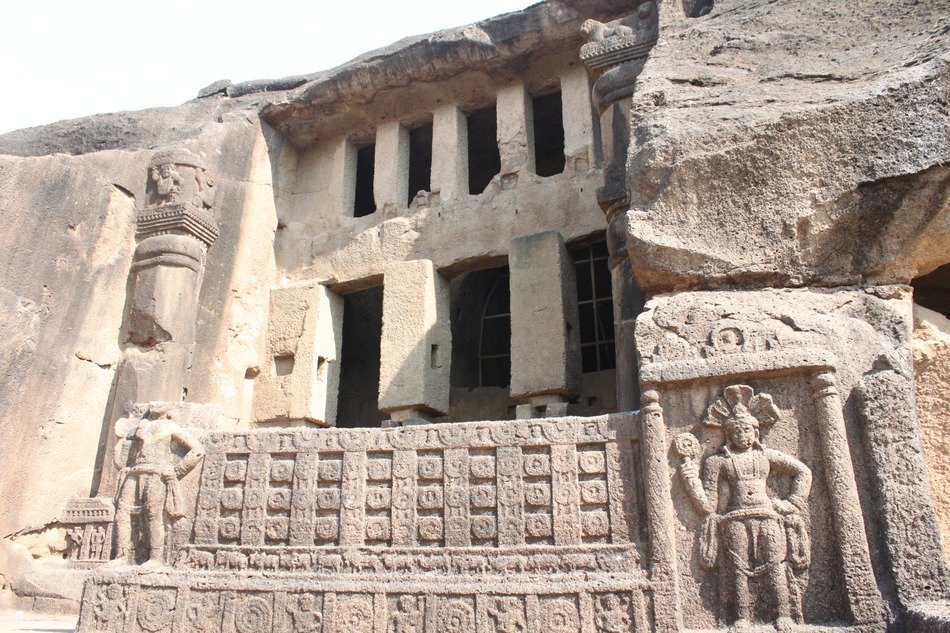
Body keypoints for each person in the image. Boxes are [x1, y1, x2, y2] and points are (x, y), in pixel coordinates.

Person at [675, 385, 812, 631]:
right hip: (735, 519)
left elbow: (802, 471)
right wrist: (689, 479)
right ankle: (742, 617)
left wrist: (792, 503)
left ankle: (783, 615)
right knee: (737, 569)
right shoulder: (717, 462)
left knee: (776, 565)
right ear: (728, 434)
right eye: (736, 431)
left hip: (768, 515)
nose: (742, 435)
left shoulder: (767, 456)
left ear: (755, 432)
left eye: (746, 430)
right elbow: (709, 506)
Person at [113, 409, 204, 565]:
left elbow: (197, 450)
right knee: (122, 512)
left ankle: (156, 558)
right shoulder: (140, 427)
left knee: (154, 514)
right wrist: (119, 440)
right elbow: (121, 460)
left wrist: (177, 470)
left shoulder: (170, 426)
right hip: (135, 472)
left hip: (156, 473)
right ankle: (122, 556)